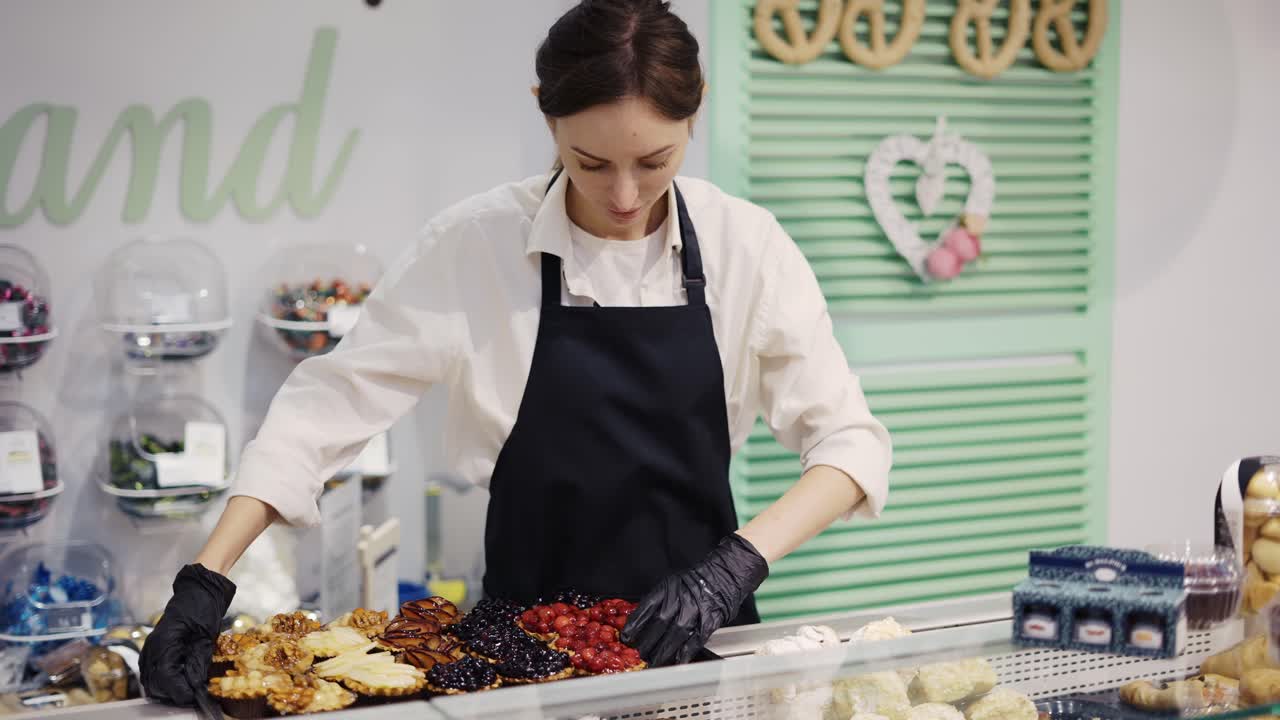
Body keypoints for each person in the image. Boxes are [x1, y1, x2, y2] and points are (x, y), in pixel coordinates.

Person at [140, 0, 892, 707]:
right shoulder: (475, 246)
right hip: (519, 658)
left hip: (700, 638)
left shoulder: (747, 246)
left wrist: (737, 565)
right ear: (545, 109)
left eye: (654, 160)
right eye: (592, 162)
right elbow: (326, 407)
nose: (626, 196)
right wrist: (207, 576)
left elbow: (850, 445)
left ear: (693, 119)